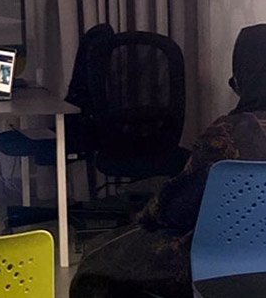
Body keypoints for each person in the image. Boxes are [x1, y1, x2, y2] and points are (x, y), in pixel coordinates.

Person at [70, 24, 266, 298]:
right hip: (258, 264)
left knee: (95, 263)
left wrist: (144, 217)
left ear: (243, 73)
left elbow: (173, 210)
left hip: (206, 260)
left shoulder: (227, 135)